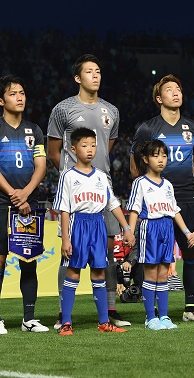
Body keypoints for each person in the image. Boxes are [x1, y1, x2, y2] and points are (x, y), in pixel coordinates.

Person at [47, 54, 128, 328]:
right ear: (77, 78)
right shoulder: (63, 109)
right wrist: (75, 176)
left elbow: (108, 147)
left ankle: (110, 311)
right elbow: (53, 150)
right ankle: (63, 314)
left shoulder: (112, 111)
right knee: (68, 253)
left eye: (99, 71)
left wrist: (94, 175)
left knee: (106, 251)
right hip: (77, 192)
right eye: (89, 71)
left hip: (101, 187)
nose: (96, 75)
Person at [130, 74, 194, 323]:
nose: (176, 93)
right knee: (154, 259)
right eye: (169, 90)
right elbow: (135, 167)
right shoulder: (148, 128)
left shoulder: (193, 127)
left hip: (185, 197)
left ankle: (190, 308)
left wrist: (181, 183)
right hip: (155, 205)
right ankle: (152, 313)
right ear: (158, 98)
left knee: (192, 253)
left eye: (179, 89)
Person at [0, 76, 48, 334]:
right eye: (13, 94)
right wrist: (13, 195)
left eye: (22, 92)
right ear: (1, 101)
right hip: (1, 203)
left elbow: (41, 166)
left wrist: (27, 193)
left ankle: (28, 319)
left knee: (28, 260)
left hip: (29, 205)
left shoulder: (35, 129)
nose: (19, 97)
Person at [55, 128, 136, 335]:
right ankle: (66, 322)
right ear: (73, 149)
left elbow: (112, 204)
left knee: (99, 271)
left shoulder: (101, 176)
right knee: (73, 272)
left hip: (98, 224)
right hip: (78, 225)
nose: (90, 149)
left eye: (93, 145)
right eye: (84, 145)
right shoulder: (68, 176)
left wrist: (126, 228)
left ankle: (103, 323)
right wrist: (65, 238)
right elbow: (64, 209)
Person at [127, 139, 194, 330]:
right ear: (145, 159)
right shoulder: (140, 183)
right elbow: (133, 209)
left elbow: (174, 211)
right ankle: (151, 317)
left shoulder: (167, 185)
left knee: (164, 274)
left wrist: (187, 232)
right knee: (151, 273)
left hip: (167, 229)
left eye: (164, 156)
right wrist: (130, 232)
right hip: (150, 228)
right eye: (155, 155)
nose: (161, 160)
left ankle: (164, 316)